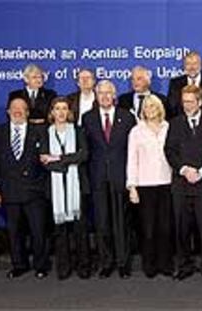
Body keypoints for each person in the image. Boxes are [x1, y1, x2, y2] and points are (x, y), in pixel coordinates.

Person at [0, 97, 49, 279]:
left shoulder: (40, 131)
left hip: (34, 191)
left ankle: (40, 265)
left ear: (28, 112)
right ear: (8, 112)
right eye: (14, 108)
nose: (18, 111)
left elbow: (46, 160)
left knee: (38, 231)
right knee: (14, 232)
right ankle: (19, 265)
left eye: (22, 108)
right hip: (9, 191)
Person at [82, 80, 136, 279]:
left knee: (121, 223)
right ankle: (106, 262)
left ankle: (123, 263)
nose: (104, 96)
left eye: (108, 93)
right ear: (96, 96)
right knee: (102, 223)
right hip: (97, 178)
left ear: (114, 95)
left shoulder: (127, 117)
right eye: (101, 93)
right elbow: (85, 149)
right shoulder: (87, 118)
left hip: (120, 177)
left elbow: (133, 150)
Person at [165, 84, 202, 281]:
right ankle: (185, 265)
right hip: (181, 185)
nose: (187, 105)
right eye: (184, 101)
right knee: (182, 228)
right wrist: (184, 170)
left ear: (200, 102)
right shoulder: (175, 123)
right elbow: (169, 151)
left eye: (190, 101)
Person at [39, 97, 92, 280]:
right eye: (57, 109)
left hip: (77, 186)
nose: (60, 112)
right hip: (54, 188)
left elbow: (83, 154)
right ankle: (63, 266)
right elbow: (44, 161)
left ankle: (83, 266)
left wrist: (58, 158)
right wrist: (67, 160)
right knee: (59, 231)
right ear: (51, 112)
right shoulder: (44, 132)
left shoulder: (78, 131)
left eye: (64, 109)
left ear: (69, 112)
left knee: (80, 230)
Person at [126, 94, 173, 279]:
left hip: (166, 183)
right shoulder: (136, 131)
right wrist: (132, 186)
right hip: (144, 186)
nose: (150, 109)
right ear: (142, 110)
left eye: (154, 106)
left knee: (165, 228)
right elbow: (131, 160)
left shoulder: (168, 127)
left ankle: (165, 264)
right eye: (147, 107)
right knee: (148, 228)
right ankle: (149, 264)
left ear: (160, 108)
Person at [167, 51, 202, 116]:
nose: (192, 67)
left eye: (195, 64)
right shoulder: (175, 83)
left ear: (200, 65)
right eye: (188, 64)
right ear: (184, 66)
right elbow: (173, 106)